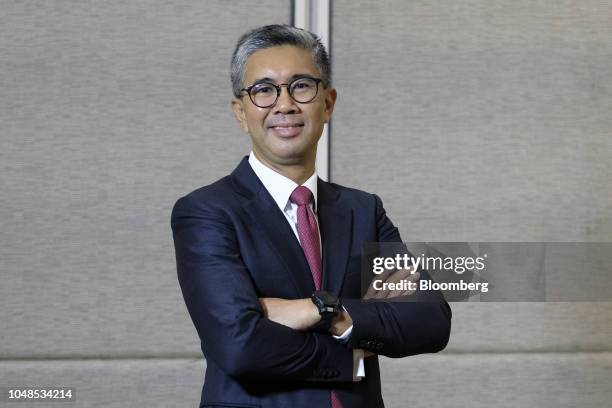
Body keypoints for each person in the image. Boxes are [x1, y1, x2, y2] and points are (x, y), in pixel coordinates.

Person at [171, 24, 451, 408]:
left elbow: (431, 321)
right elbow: (238, 346)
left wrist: (324, 311)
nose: (284, 104)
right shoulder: (207, 212)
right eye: (264, 90)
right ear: (241, 112)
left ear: (328, 103)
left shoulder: (363, 210)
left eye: (301, 85)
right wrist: (351, 359)